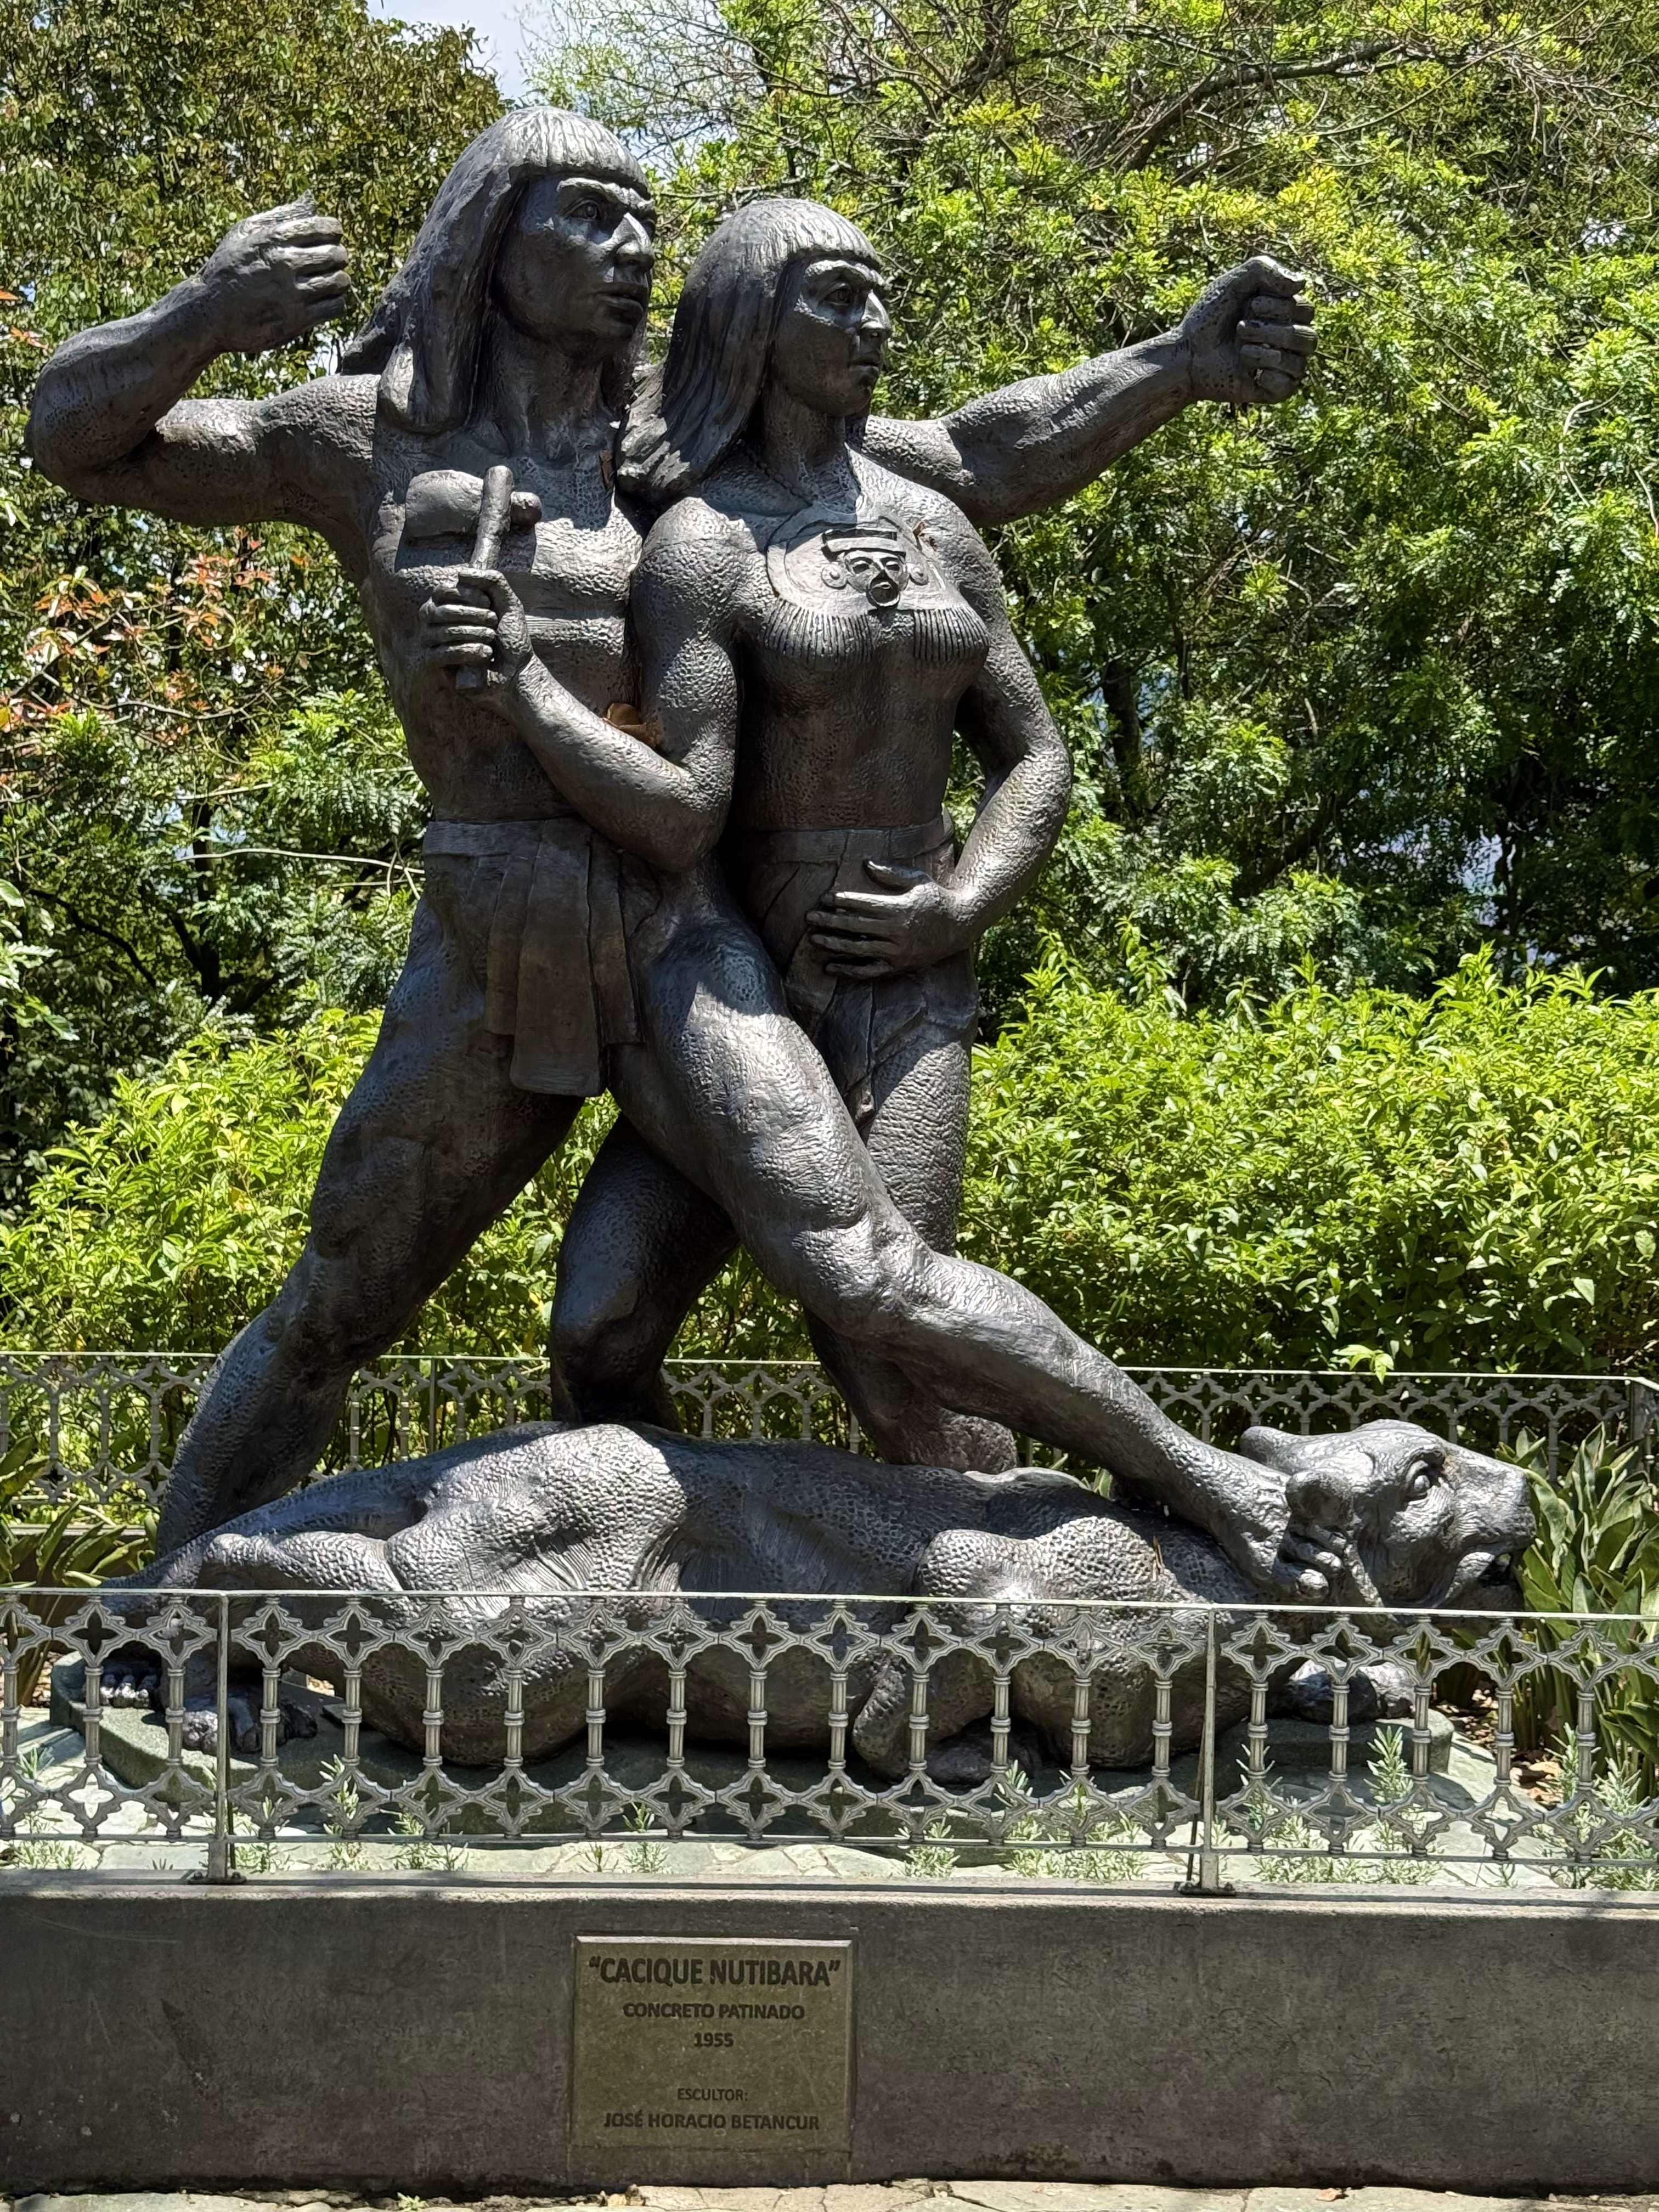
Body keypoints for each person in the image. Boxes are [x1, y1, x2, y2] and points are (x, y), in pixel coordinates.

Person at [25, 107, 1316, 1556]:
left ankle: (1122, 1549)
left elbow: (969, 455)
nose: (635, 246)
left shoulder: (664, 445)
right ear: (491, 234)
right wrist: (205, 313)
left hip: (675, 914)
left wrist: (1177, 365)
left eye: (644, 218)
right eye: (589, 213)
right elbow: (77, 442)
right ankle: (176, 1608)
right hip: (492, 914)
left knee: (864, 1276)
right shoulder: (363, 436)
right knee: (346, 1300)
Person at [415, 191, 1305, 1600]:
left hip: (905, 983)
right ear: (751, 323)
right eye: (838, 294)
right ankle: (668, 1596)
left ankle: (1094, 1603)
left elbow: (1034, 752)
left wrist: (960, 908)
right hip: (741, 984)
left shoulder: (932, 523)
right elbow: (688, 805)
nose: (877, 321)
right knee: (599, 1327)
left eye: (879, 292)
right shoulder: (704, 541)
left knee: (884, 1344)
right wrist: (521, 682)